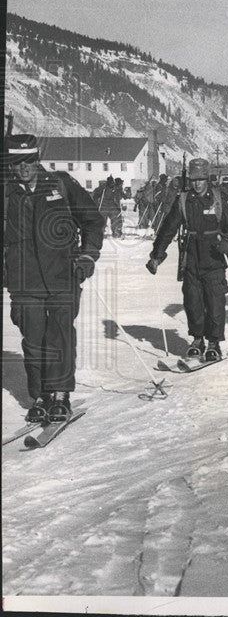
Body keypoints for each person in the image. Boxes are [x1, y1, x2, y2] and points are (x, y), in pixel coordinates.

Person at [3, 134, 105, 422]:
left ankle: (60, 394)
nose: (24, 167)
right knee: (33, 338)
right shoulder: (7, 193)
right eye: (17, 162)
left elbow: (93, 221)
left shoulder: (61, 184)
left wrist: (87, 256)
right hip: (24, 279)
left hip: (63, 275)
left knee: (59, 335)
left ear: (38, 159)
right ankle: (40, 395)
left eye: (29, 161)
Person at [146, 157, 228, 362]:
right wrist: (156, 256)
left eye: (200, 179)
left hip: (214, 257)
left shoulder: (219, 199)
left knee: (215, 301)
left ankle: (214, 343)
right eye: (193, 179)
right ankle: (197, 340)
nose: (197, 183)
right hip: (190, 257)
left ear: (207, 178)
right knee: (192, 301)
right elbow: (168, 229)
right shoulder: (183, 200)